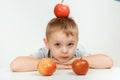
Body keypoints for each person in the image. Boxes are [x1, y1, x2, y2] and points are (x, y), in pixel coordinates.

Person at [10, 17, 113, 72]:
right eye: (57, 45)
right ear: (47, 43)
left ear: (77, 42)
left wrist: (77, 61)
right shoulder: (45, 52)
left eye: (70, 44)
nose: (64, 50)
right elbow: (15, 65)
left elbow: (108, 62)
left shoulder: (78, 53)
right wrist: (51, 63)